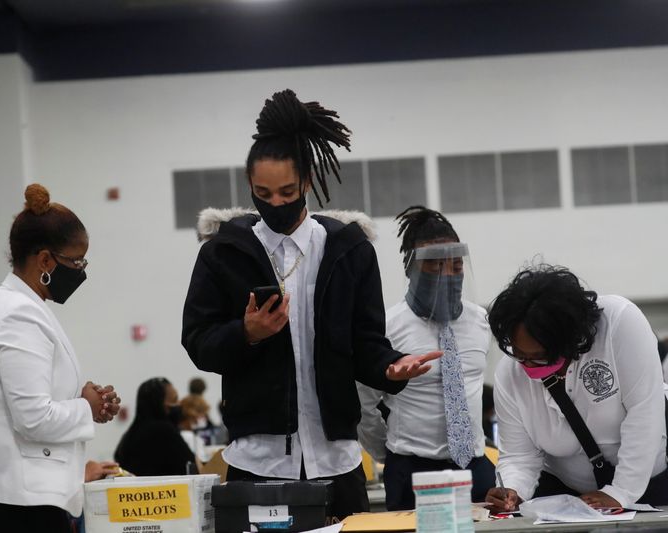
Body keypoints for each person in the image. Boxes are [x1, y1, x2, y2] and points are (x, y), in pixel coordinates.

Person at [181, 89, 441, 519]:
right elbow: (197, 341)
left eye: (288, 191)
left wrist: (390, 369)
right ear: (249, 185)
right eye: (263, 193)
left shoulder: (349, 249)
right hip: (257, 463)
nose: (277, 203)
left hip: (337, 461)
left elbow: (366, 342)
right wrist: (246, 334)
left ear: (307, 181)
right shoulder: (223, 252)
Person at [0, 184, 121, 533]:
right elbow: (33, 417)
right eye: (77, 260)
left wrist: (90, 402)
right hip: (3, 502)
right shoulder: (18, 314)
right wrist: (85, 406)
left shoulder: (22, 306)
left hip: (10, 496)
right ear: (44, 260)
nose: (82, 270)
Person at [485, 265, 668, 512]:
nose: (528, 366)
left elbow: (644, 413)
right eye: (520, 355)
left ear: (570, 338)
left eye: (539, 357)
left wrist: (620, 492)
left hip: (651, 479)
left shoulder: (620, 323)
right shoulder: (510, 374)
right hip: (570, 494)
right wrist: (512, 490)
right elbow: (519, 456)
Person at [357, 206, 494, 510]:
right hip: (413, 469)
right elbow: (364, 405)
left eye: (456, 266)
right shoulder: (386, 327)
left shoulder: (479, 321)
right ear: (412, 269)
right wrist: (391, 453)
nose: (448, 275)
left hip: (474, 465)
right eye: (435, 266)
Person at [114, 377, 198, 476]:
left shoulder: (129, 436)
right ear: (159, 403)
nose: (179, 405)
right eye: (174, 400)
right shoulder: (165, 431)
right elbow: (191, 467)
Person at [179, 394, 213, 462]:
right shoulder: (188, 436)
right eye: (203, 414)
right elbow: (201, 461)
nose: (205, 418)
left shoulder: (189, 435)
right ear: (192, 414)